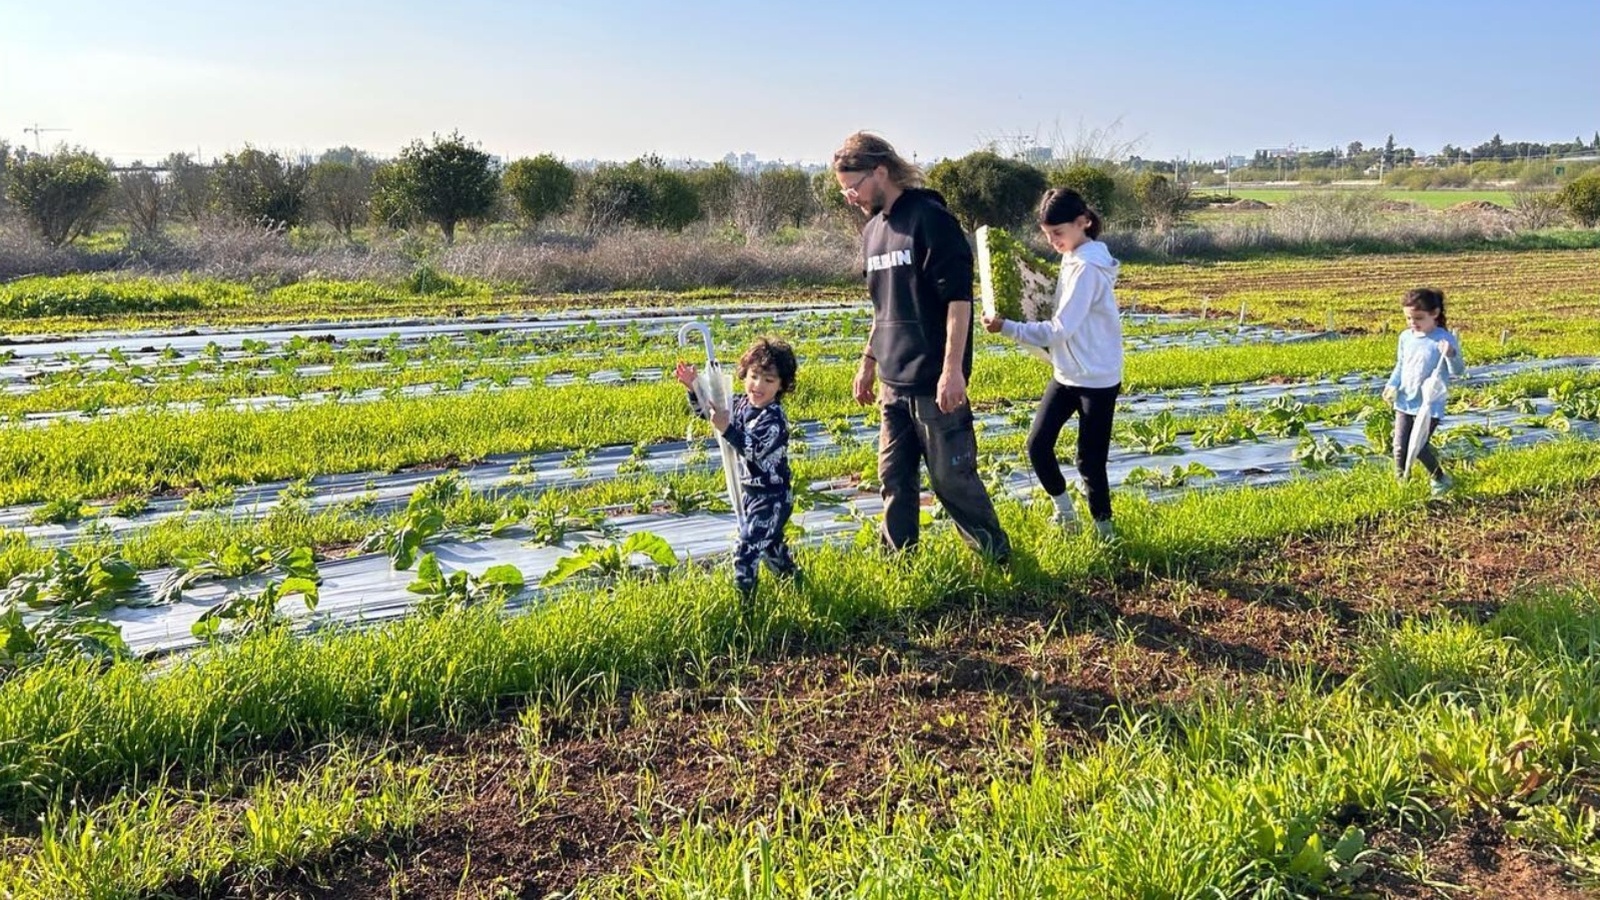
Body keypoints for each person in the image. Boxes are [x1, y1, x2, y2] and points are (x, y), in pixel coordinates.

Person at [832, 131, 1010, 562]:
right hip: (893, 379)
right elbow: (883, 306)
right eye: (844, 191)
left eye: (853, 187)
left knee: (952, 479)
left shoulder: (930, 219)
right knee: (894, 477)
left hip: (933, 377)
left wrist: (953, 370)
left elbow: (957, 301)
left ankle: (996, 557)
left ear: (880, 171)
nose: (851, 197)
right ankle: (900, 562)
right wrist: (867, 362)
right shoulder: (873, 232)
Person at [982, 188, 1123, 540]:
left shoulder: (1089, 268)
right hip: (1067, 373)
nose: (1053, 242)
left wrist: (1008, 328)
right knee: (1037, 445)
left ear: (1083, 222)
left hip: (1098, 379)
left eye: (1058, 233)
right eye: (1047, 235)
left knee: (1090, 462)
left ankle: (1105, 532)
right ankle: (1065, 513)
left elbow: (1059, 329)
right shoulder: (1072, 257)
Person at [675, 337, 801, 602]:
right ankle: (797, 588)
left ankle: (746, 610)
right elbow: (709, 412)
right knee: (771, 551)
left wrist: (727, 428)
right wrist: (693, 388)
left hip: (772, 497)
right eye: (754, 376)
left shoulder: (774, 418)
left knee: (746, 550)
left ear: (781, 386)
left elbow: (753, 449)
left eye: (768, 380)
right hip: (750, 494)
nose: (758, 385)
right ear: (745, 374)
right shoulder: (741, 404)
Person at [1382, 287, 1465, 496]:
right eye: (1408, 318)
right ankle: (1402, 483)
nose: (1413, 323)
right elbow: (1401, 365)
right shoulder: (1405, 338)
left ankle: (1439, 478)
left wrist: (1450, 354)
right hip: (1405, 401)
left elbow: (1458, 370)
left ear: (1434, 314)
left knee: (1418, 446)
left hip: (1429, 405)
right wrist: (1391, 385)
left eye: (1418, 318)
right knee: (1399, 446)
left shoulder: (1442, 339)